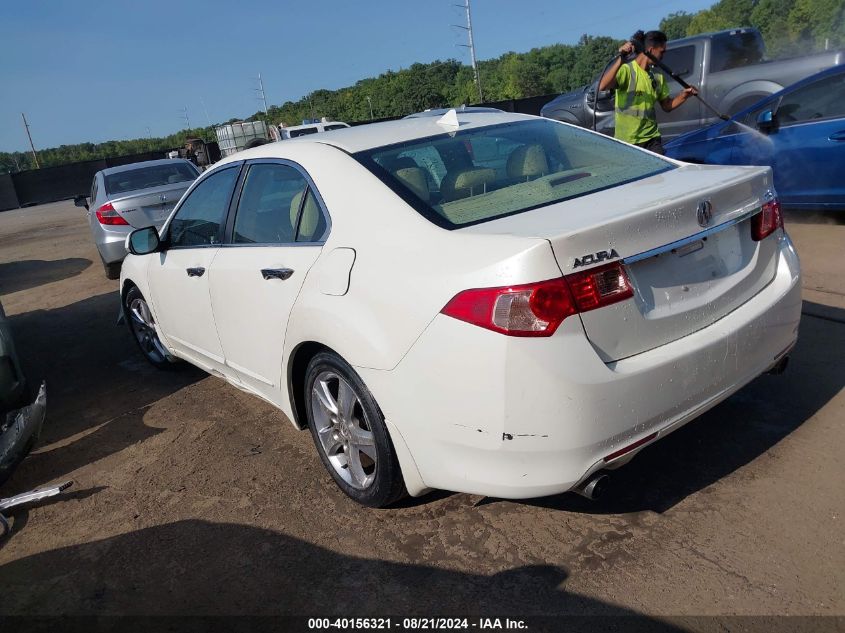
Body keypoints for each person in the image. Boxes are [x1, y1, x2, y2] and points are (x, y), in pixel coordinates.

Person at [599, 30, 698, 154]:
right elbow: (603, 86)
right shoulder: (627, 70)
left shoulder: (657, 76)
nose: (663, 56)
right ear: (651, 50)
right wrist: (621, 58)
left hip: (652, 140)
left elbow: (667, 106)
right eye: (662, 52)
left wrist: (684, 95)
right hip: (628, 142)